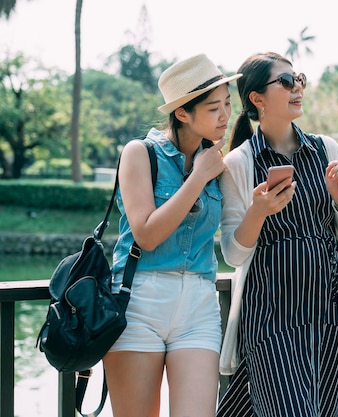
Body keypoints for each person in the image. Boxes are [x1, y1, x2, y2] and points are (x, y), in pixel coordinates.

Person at [217, 51, 338, 417]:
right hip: (270, 317)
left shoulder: (325, 148)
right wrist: (258, 212)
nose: (297, 88)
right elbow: (233, 254)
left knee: (330, 409)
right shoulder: (239, 162)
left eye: (298, 78)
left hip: (329, 309)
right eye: (285, 82)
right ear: (257, 99)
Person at [102, 53, 241, 417]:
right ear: (182, 113)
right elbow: (146, 235)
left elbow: (234, 236)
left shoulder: (218, 161)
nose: (226, 116)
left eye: (228, 104)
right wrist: (197, 177)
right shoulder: (140, 153)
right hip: (138, 302)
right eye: (214, 108)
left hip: (199, 303)